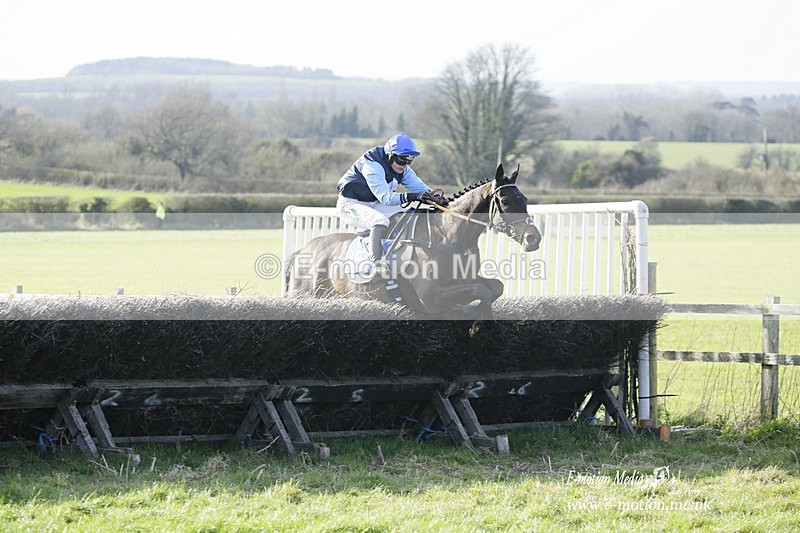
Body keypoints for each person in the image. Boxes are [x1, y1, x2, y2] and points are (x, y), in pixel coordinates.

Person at [336, 133, 447, 271]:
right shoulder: (372, 165)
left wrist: (439, 199)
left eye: (409, 161)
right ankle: (376, 264)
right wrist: (413, 196)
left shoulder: (402, 168)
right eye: (402, 160)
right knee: (379, 220)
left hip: (374, 203)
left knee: (406, 214)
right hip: (351, 205)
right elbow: (386, 198)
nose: (405, 165)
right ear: (390, 155)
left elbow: (421, 188)